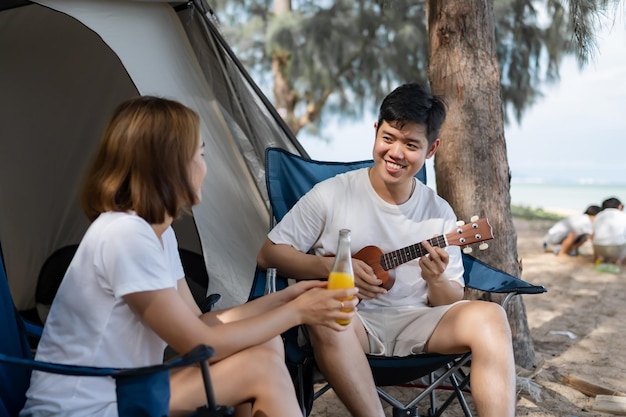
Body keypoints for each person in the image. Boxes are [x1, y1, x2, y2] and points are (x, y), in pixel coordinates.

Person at [20, 96, 358, 417]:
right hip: (83, 407)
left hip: (124, 390)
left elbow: (200, 323)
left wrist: (286, 299)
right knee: (262, 367)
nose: (204, 167)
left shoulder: (157, 233)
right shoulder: (126, 236)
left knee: (268, 344)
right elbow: (197, 343)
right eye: (200, 154)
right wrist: (298, 314)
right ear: (169, 166)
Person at [257, 83, 515, 417]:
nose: (395, 152)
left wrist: (436, 280)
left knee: (491, 316)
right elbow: (270, 253)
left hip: (418, 322)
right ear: (376, 130)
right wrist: (335, 267)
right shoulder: (332, 194)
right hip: (353, 324)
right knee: (326, 311)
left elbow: (449, 302)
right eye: (389, 137)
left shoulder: (439, 213)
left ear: (431, 149)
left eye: (411, 145)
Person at [592, 197, 626, 265]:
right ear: (619, 206)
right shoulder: (623, 215)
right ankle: (618, 261)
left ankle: (599, 260)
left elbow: (593, 234)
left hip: (599, 249)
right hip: (617, 250)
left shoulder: (599, 215)